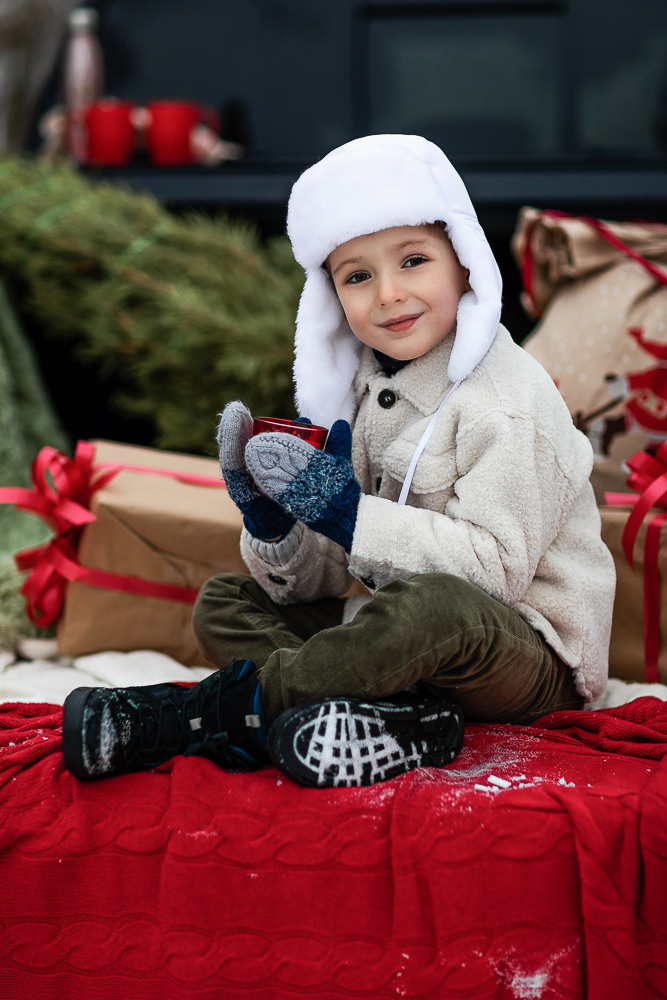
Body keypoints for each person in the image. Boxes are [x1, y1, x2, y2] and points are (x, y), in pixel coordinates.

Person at [62, 134, 616, 788]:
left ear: (465, 265)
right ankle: (389, 715)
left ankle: (216, 715)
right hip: (403, 638)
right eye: (358, 276)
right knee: (225, 601)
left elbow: (493, 574)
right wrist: (278, 526)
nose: (389, 294)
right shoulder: (359, 391)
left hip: (525, 653)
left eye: (413, 260)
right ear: (330, 296)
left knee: (432, 607)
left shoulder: (508, 402)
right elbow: (327, 580)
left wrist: (350, 516)